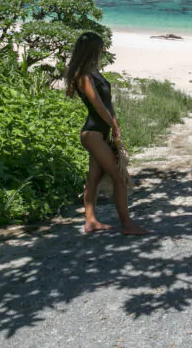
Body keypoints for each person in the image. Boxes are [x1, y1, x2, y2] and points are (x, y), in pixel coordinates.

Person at [65, 32, 148, 235]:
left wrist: (114, 124)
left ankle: (90, 221)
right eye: (100, 48)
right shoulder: (83, 76)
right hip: (93, 133)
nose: (102, 51)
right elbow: (99, 106)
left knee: (93, 178)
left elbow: (107, 104)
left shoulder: (92, 71)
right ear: (92, 49)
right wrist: (114, 126)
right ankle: (127, 224)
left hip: (99, 133)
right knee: (119, 178)